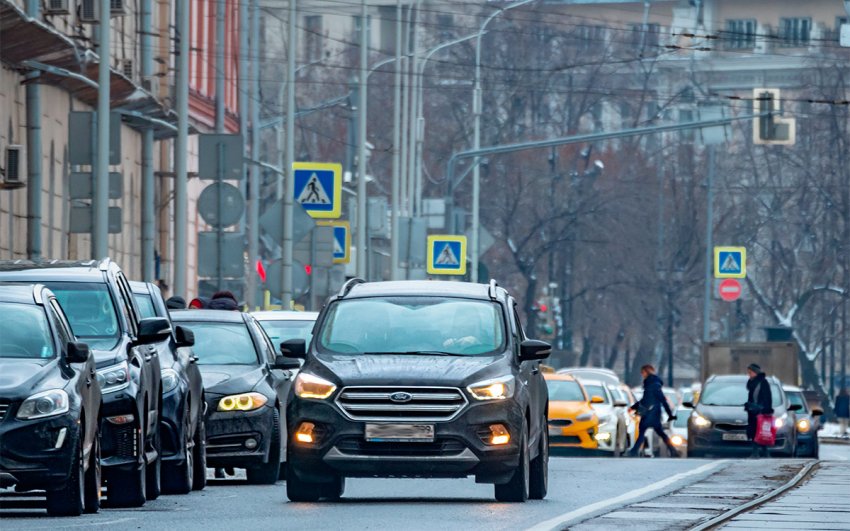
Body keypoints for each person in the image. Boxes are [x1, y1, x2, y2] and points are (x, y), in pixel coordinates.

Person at [627, 364, 678, 457]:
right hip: (654, 413)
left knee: (642, 432)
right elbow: (657, 400)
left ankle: (633, 451)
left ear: (647, 372)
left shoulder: (652, 384)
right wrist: (633, 407)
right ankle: (673, 450)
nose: (642, 375)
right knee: (660, 433)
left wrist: (670, 415)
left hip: (650, 413)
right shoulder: (653, 383)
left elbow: (651, 400)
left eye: (643, 372)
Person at [745, 363, 773, 458]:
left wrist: (765, 409)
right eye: (748, 372)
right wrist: (749, 405)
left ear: (755, 372)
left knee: (760, 431)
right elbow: (751, 398)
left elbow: (767, 397)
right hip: (752, 412)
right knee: (754, 431)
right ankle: (757, 452)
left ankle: (762, 452)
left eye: (750, 372)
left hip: (760, 412)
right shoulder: (752, 383)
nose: (749, 374)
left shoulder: (762, 382)